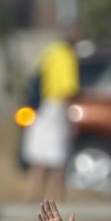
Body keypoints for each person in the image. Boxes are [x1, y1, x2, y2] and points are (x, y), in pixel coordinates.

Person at [23, 26, 80, 202]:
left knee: (39, 157)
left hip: (41, 107)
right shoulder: (67, 56)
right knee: (58, 157)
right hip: (56, 107)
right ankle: (56, 197)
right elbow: (68, 89)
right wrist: (72, 117)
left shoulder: (50, 51)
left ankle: (32, 195)